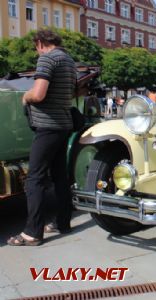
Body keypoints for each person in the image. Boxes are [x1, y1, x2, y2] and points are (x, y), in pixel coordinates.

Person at [7, 28, 76, 246]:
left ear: (39, 43)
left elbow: (38, 93)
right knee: (59, 176)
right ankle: (62, 222)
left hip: (47, 127)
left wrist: (26, 97)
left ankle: (32, 232)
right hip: (63, 125)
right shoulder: (69, 60)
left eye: (36, 48)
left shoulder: (47, 59)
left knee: (34, 179)